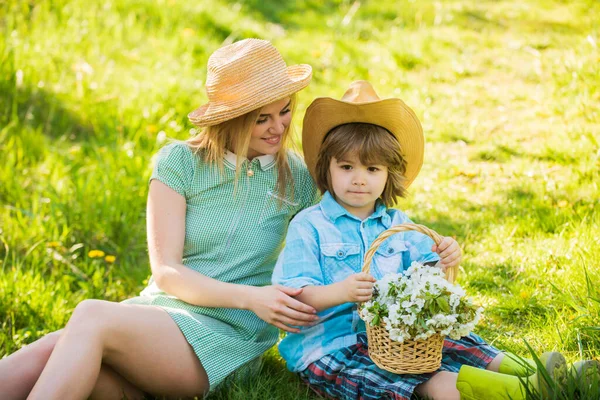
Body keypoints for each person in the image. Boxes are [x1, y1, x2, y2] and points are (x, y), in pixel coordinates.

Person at [0, 38, 319, 400]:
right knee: (60, 354)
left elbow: (327, 248)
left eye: (285, 110)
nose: (278, 127)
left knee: (88, 319)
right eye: (262, 118)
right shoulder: (181, 163)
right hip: (161, 313)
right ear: (231, 118)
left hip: (229, 335)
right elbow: (167, 272)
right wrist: (252, 296)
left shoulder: (298, 178)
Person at [272, 81, 585, 400]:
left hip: (398, 337)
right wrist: (340, 292)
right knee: (420, 376)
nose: (359, 178)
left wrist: (444, 258)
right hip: (333, 345)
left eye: (372, 168)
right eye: (347, 166)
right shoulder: (309, 226)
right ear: (327, 168)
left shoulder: (398, 225)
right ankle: (526, 391)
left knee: (455, 341)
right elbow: (293, 296)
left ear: (388, 174)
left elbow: (428, 276)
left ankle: (539, 373)